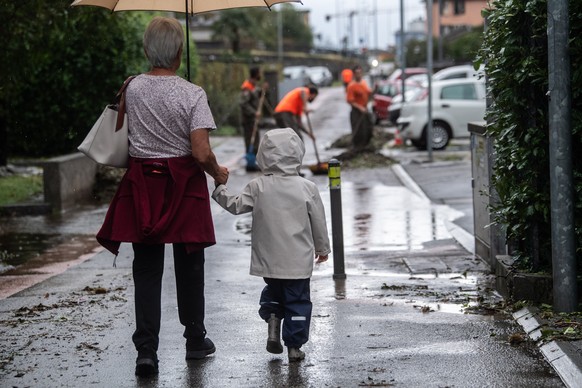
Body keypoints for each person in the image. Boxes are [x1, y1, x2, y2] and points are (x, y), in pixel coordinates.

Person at [95, 17, 229, 377]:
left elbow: (125, 131)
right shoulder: (193, 93)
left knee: (147, 268)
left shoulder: (131, 87)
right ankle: (195, 340)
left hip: (144, 186)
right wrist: (218, 174)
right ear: (180, 52)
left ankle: (147, 351)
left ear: (146, 50)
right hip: (184, 186)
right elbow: (200, 153)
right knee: (190, 264)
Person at [211, 127, 331, 363]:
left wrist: (219, 188)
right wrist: (322, 249)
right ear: (298, 153)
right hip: (297, 261)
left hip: (269, 258)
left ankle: (273, 319)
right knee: (297, 301)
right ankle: (294, 347)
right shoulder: (307, 188)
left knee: (274, 291)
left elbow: (235, 206)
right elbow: (318, 221)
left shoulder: (258, 186)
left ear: (263, 154)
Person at [240, 67, 267, 171]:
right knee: (250, 141)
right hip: (248, 120)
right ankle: (250, 164)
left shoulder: (253, 86)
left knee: (255, 141)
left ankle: (253, 163)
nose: (260, 75)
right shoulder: (247, 87)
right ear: (256, 74)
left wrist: (263, 90)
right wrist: (254, 112)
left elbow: (257, 94)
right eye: (259, 73)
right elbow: (243, 104)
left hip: (253, 120)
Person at [346, 65, 374, 150]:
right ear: (354, 74)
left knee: (368, 129)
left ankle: (365, 146)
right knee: (358, 131)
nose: (359, 75)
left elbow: (369, 92)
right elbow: (350, 101)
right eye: (357, 73)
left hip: (365, 110)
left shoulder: (363, 82)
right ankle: (357, 148)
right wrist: (360, 108)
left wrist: (375, 89)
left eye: (360, 73)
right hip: (356, 112)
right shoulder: (351, 86)